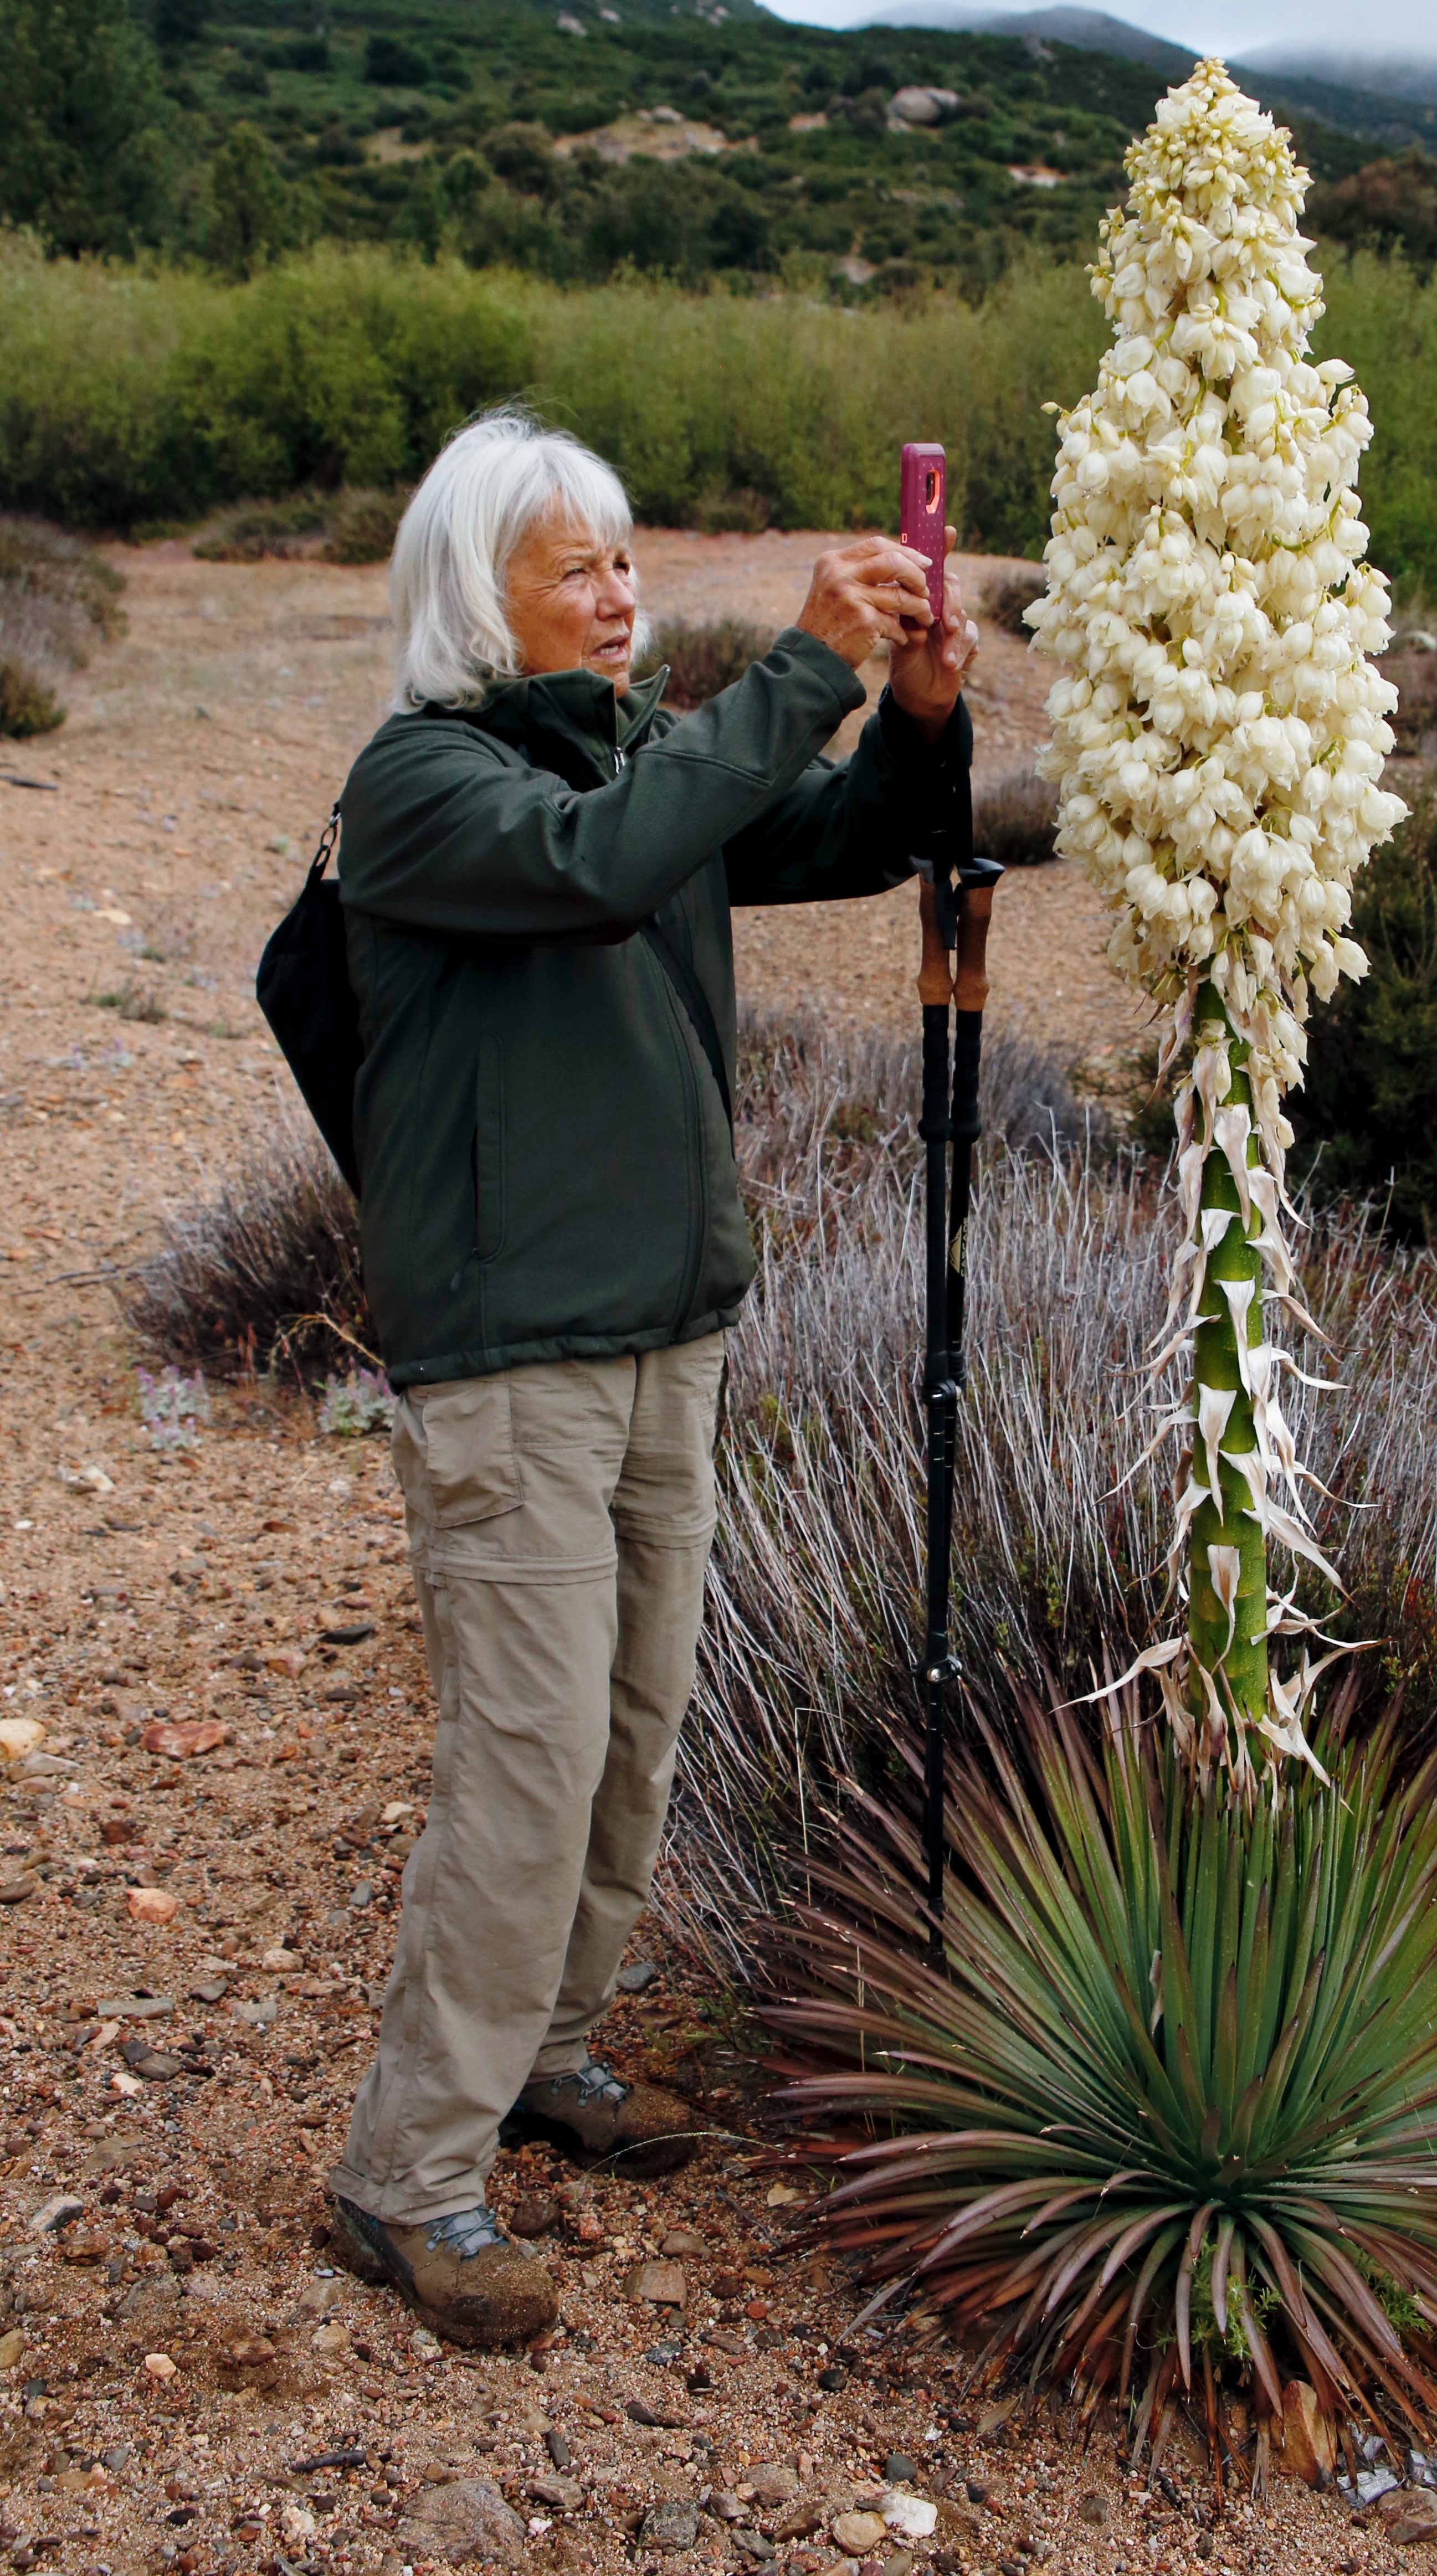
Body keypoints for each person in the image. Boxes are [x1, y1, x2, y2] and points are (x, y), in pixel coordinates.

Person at [322, 407, 981, 2348]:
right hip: (514, 1354)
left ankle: (556, 2056)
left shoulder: (637, 757)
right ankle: (407, 2170)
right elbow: (606, 867)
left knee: (633, 1728)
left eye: (625, 562)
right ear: (479, 597)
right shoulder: (426, 787)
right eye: (576, 569)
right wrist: (795, 669)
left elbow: (859, 841)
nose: (618, 598)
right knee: (524, 1771)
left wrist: (918, 720)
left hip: (663, 1328)